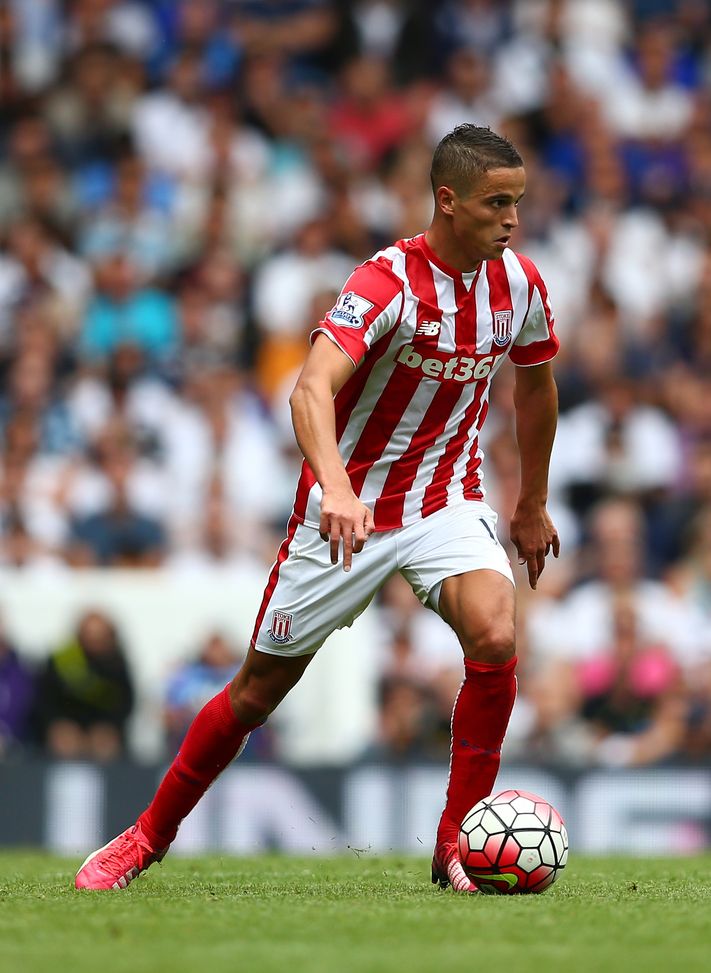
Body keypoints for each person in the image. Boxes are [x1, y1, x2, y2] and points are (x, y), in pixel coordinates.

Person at [74, 123, 560, 893]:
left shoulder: (521, 284)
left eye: (516, 202)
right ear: (447, 200)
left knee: (497, 634)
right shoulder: (385, 283)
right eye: (495, 203)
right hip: (346, 511)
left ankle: (455, 845)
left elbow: (534, 388)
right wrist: (334, 486)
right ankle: (144, 837)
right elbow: (309, 388)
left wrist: (529, 501)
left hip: (445, 500)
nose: (511, 219)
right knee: (254, 692)